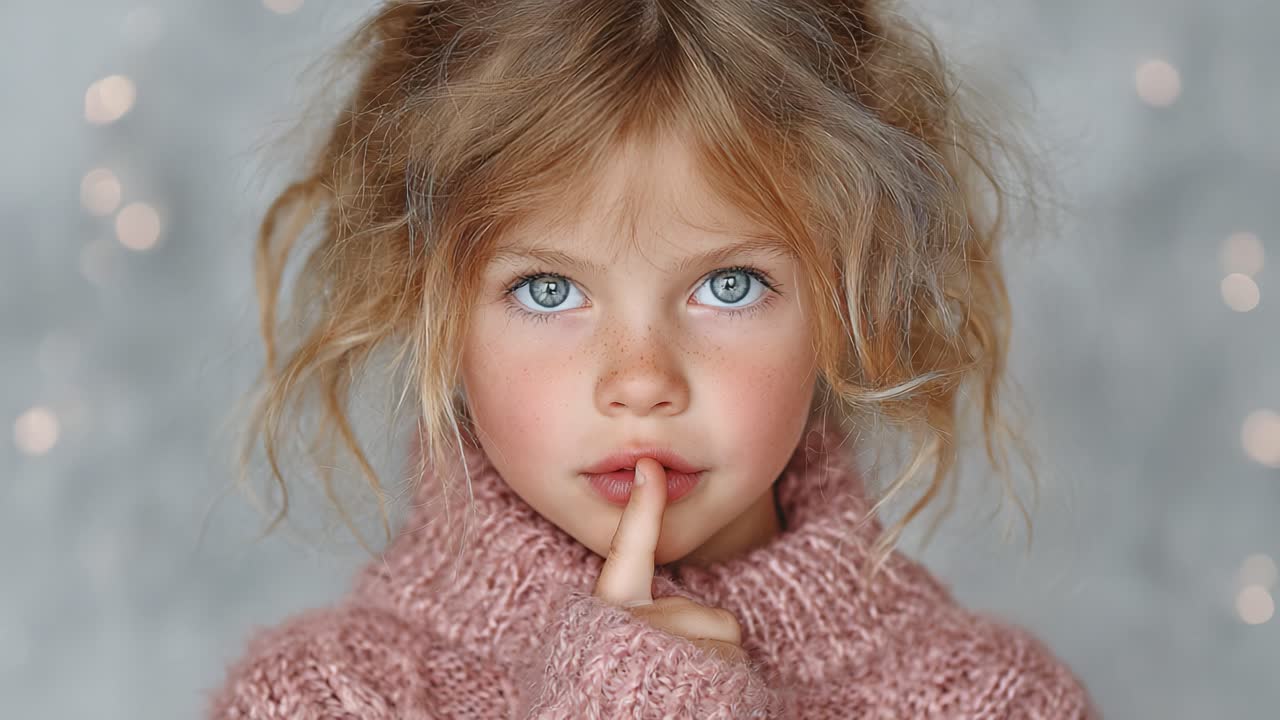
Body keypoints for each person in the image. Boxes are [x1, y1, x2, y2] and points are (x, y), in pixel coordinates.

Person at [206, 0, 1099, 717]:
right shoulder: (326, 697)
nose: (641, 380)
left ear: (850, 300)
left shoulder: (997, 701)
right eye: (550, 290)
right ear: (431, 306)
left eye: (731, 286)